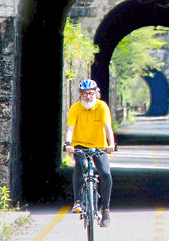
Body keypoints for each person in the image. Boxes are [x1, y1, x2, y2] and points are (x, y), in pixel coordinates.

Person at [63, 79, 116, 227]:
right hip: (80, 145)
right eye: (85, 94)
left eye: (91, 93)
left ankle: (105, 208)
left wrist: (111, 144)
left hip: (100, 146)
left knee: (105, 173)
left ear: (96, 93)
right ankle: (78, 201)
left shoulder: (102, 107)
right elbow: (70, 129)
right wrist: (68, 144)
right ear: (80, 95)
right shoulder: (75, 108)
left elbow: (107, 127)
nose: (88, 97)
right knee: (79, 165)